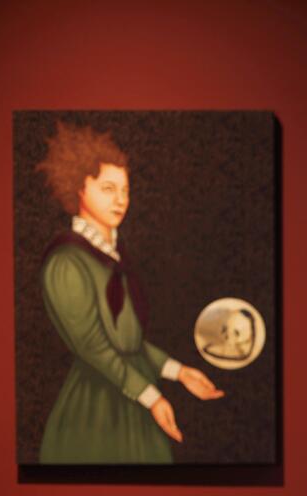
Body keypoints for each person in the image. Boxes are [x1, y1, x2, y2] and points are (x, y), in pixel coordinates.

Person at [34, 121, 223, 463]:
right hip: (95, 409)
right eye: (108, 188)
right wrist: (152, 397)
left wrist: (179, 372)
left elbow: (127, 344)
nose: (121, 200)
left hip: (136, 396)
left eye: (125, 190)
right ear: (78, 186)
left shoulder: (114, 258)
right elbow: (95, 349)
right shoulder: (67, 263)